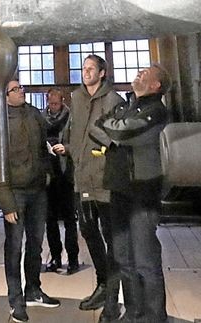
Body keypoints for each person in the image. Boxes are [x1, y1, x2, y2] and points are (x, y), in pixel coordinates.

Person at [98, 64, 172, 323]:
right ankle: (133, 313)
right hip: (119, 190)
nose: (138, 74)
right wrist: (115, 127)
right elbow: (99, 128)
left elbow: (123, 131)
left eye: (145, 73)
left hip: (142, 193)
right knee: (123, 259)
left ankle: (153, 317)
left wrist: (115, 128)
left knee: (145, 260)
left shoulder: (157, 111)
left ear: (156, 85)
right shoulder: (126, 106)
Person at [0, 79, 61, 322]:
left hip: (37, 190)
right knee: (14, 247)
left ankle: (33, 289)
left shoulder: (33, 114)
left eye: (21, 88)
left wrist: (48, 172)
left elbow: (44, 145)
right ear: (5, 95)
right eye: (15, 89)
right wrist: (6, 202)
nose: (21, 91)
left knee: (35, 243)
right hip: (15, 193)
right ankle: (16, 300)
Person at [61, 54, 123, 321]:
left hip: (105, 181)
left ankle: (112, 297)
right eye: (83, 68)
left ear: (102, 72)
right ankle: (102, 283)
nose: (85, 72)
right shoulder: (76, 98)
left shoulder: (114, 101)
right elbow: (74, 131)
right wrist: (70, 152)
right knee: (88, 231)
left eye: (90, 69)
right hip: (82, 178)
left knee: (112, 238)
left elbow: (115, 138)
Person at [42, 88, 79, 274]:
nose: (53, 106)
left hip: (67, 174)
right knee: (50, 219)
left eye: (56, 103)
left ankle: (73, 258)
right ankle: (55, 256)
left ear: (62, 101)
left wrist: (66, 148)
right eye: (50, 103)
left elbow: (79, 142)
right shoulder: (42, 118)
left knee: (70, 218)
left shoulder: (71, 118)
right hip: (49, 174)